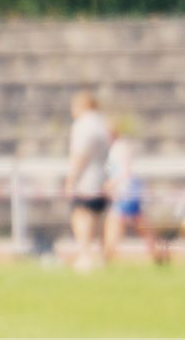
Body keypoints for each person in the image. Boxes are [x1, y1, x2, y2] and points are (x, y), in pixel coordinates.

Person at [104, 125, 167, 265]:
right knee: (141, 225)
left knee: (114, 223)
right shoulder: (115, 149)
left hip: (126, 192)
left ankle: (107, 257)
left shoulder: (119, 148)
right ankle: (158, 252)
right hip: (127, 192)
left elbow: (125, 171)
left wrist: (111, 184)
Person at [66, 90, 112, 272]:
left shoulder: (83, 125)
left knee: (81, 214)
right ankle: (102, 256)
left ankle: (84, 255)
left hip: (86, 178)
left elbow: (81, 153)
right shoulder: (103, 124)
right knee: (99, 217)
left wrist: (72, 178)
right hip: (103, 176)